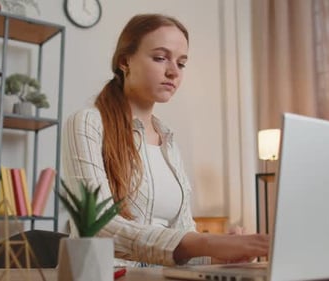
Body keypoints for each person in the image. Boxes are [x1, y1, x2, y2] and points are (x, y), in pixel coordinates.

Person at [62, 13, 269, 267]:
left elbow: (182, 240)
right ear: (125, 61)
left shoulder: (168, 140)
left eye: (181, 64)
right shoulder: (88, 123)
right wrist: (207, 243)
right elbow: (98, 227)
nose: (173, 72)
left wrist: (221, 253)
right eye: (160, 58)